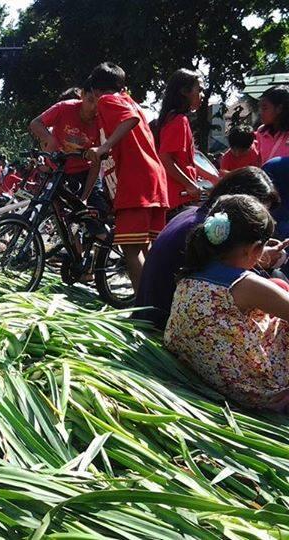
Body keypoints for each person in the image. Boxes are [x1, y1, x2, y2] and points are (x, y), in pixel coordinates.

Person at [165, 194, 289, 411]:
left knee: (278, 285)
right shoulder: (245, 285)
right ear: (253, 250)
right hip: (259, 392)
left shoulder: (192, 272)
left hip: (212, 375)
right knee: (281, 290)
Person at [135, 167, 281, 329]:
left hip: (153, 318)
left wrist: (258, 254)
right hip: (161, 325)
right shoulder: (203, 231)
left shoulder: (194, 218)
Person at [84, 62, 169, 293]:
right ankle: (159, 301)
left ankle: (144, 307)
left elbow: (130, 119)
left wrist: (105, 147)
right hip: (154, 181)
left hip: (136, 182)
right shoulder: (129, 100)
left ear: (95, 91)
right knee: (146, 249)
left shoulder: (107, 101)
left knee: (131, 251)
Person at [29, 81, 105, 207]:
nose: (93, 108)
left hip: (85, 173)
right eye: (90, 100)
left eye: (98, 104)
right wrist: (50, 139)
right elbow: (35, 123)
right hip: (59, 171)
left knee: (95, 212)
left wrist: (85, 197)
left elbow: (96, 163)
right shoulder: (63, 108)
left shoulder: (101, 121)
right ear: (82, 95)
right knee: (53, 209)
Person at [156, 69, 219, 210]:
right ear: (184, 91)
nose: (202, 95)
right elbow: (165, 158)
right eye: (200, 90)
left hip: (180, 197)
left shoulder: (173, 119)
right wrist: (190, 184)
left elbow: (187, 161)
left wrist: (215, 179)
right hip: (178, 199)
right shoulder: (179, 120)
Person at [256, 86, 289, 164]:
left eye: (264, 108)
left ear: (279, 108)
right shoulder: (261, 132)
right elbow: (259, 162)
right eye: (259, 107)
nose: (260, 112)